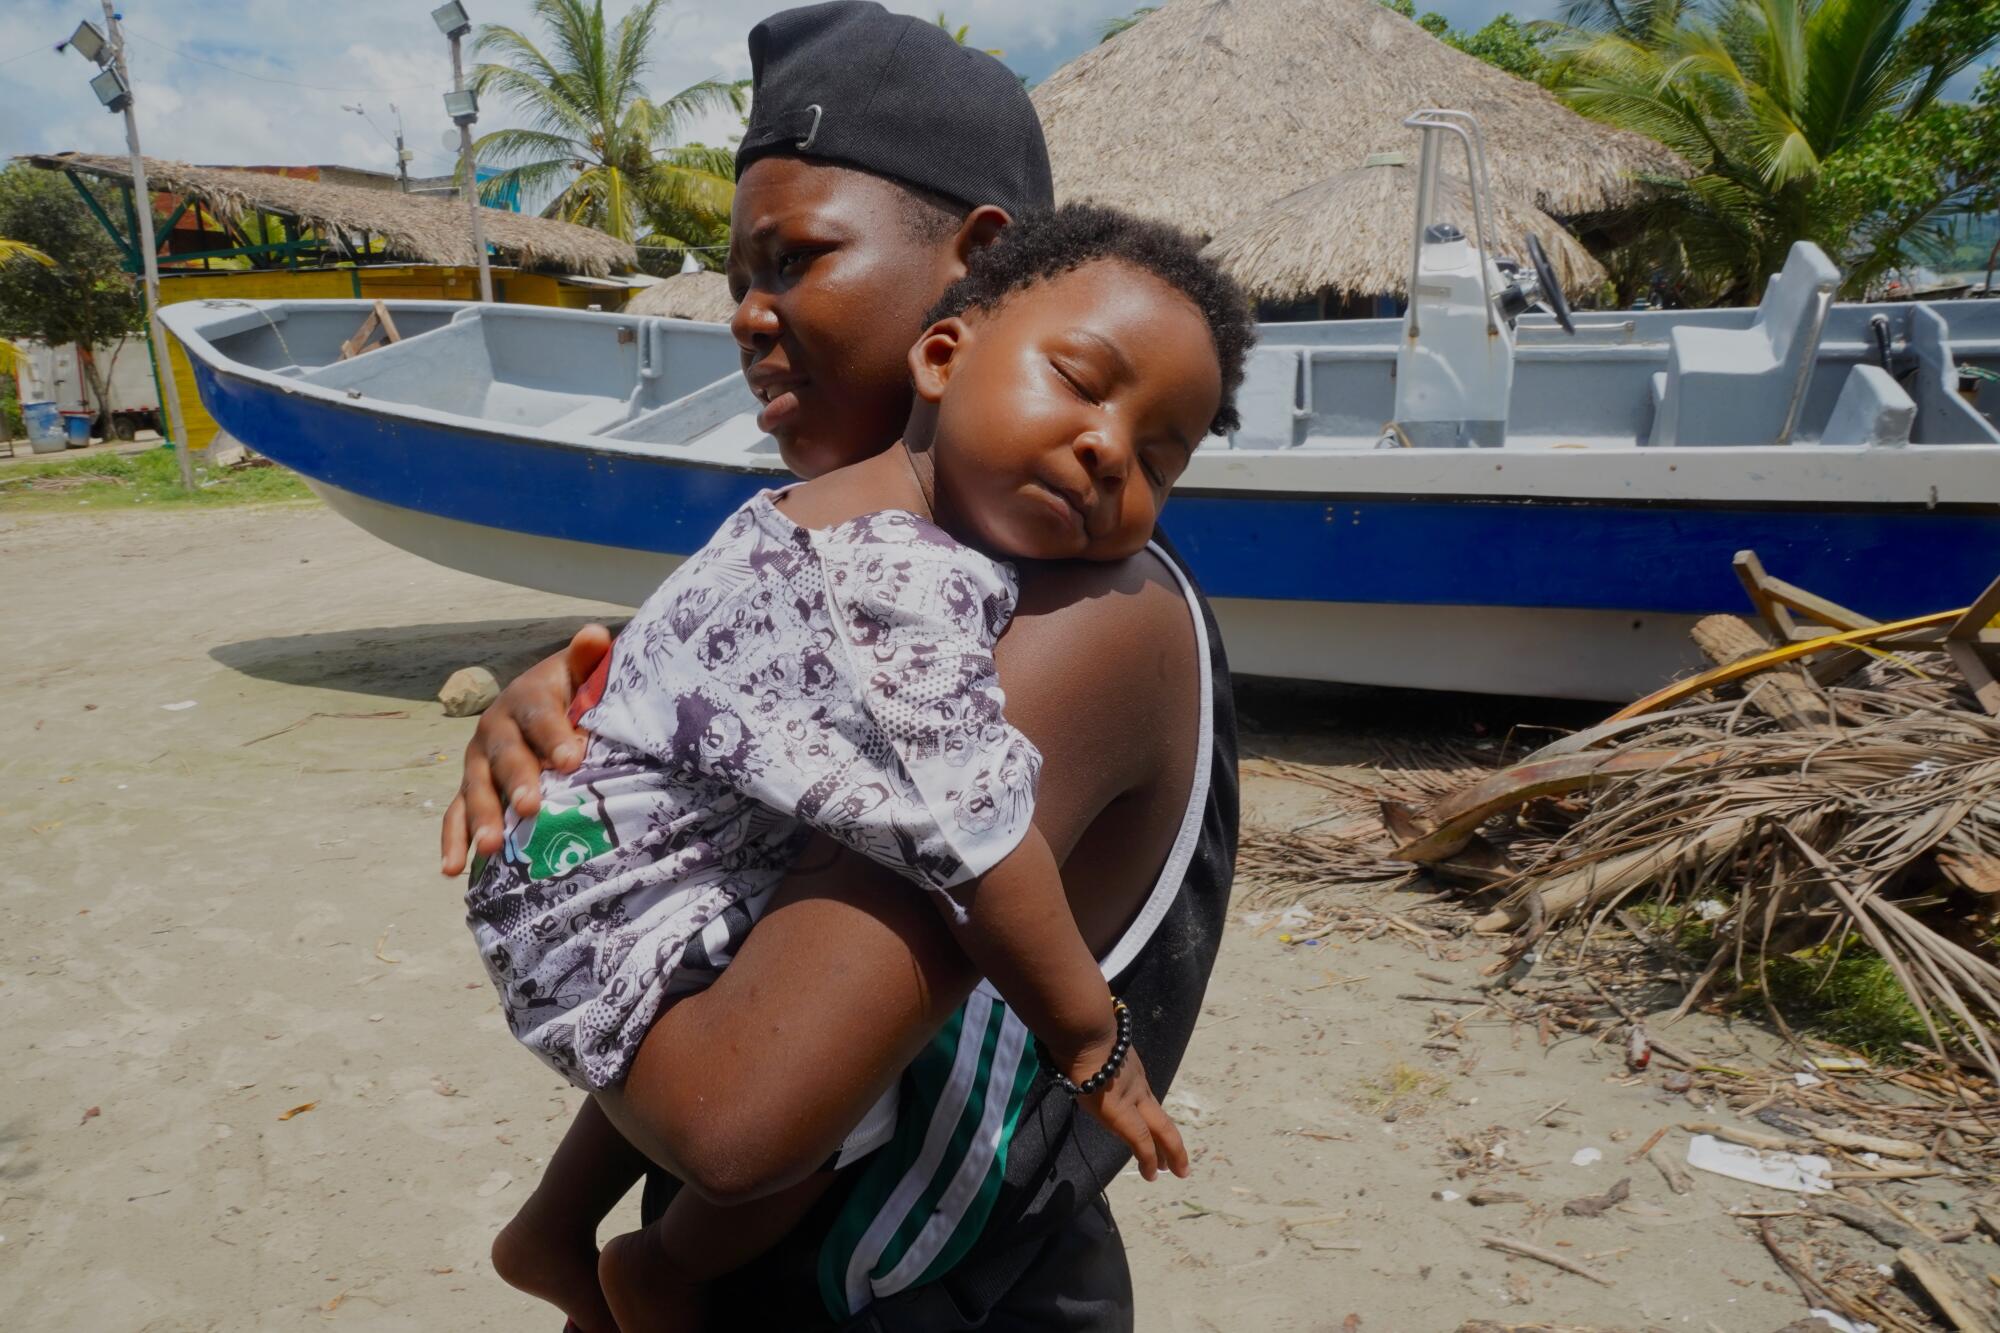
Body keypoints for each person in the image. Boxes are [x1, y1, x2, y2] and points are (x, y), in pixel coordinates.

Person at [440, 5, 1241, 1327]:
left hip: (918, 1281)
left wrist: (1096, 1049)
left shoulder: (1088, 613)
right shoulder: (892, 556)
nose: (748, 317)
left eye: (796, 260)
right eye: (739, 273)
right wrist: (561, 703)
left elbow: (737, 1116)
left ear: (971, 283)